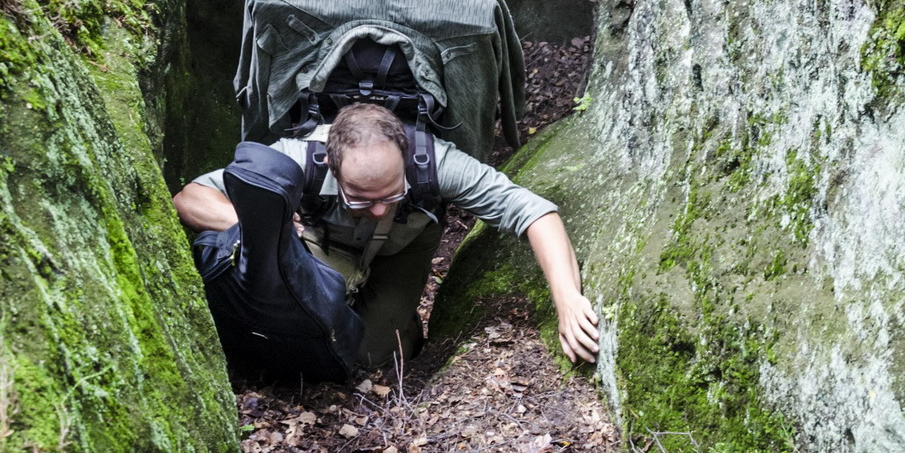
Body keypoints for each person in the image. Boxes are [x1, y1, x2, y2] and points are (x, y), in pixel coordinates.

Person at [173, 101, 600, 372]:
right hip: (322, 241)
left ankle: (403, 322)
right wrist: (268, 224)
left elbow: (533, 211)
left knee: (369, 357)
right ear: (332, 166)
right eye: (360, 197)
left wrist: (567, 299)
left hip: (403, 248)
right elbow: (189, 198)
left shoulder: (434, 162)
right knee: (314, 329)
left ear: (405, 161)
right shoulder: (300, 159)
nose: (378, 209)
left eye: (390, 195)